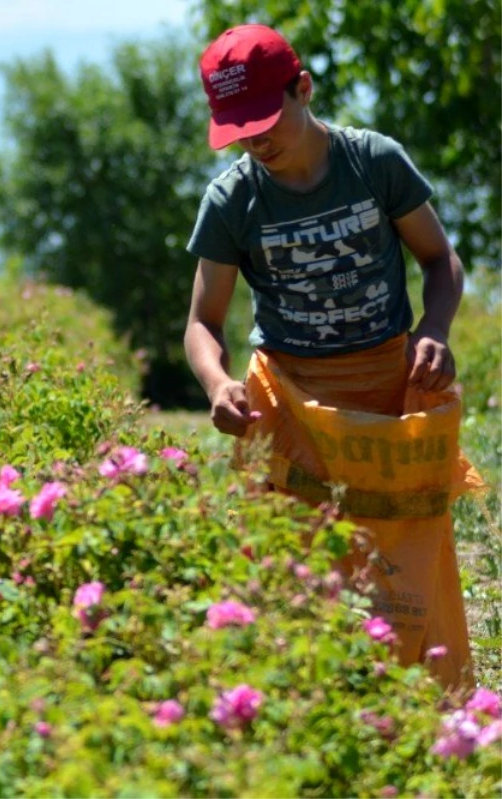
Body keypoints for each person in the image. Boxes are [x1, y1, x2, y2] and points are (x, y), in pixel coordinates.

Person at [184, 25, 481, 689]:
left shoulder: (373, 162)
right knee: (294, 570)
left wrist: (434, 328)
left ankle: (424, 700)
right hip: (289, 403)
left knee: (401, 561)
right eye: (239, 130)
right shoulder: (233, 199)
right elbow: (203, 322)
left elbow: (440, 260)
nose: (256, 141)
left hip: (387, 388)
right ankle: (306, 704)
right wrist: (216, 383)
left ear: (304, 89)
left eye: (265, 119)